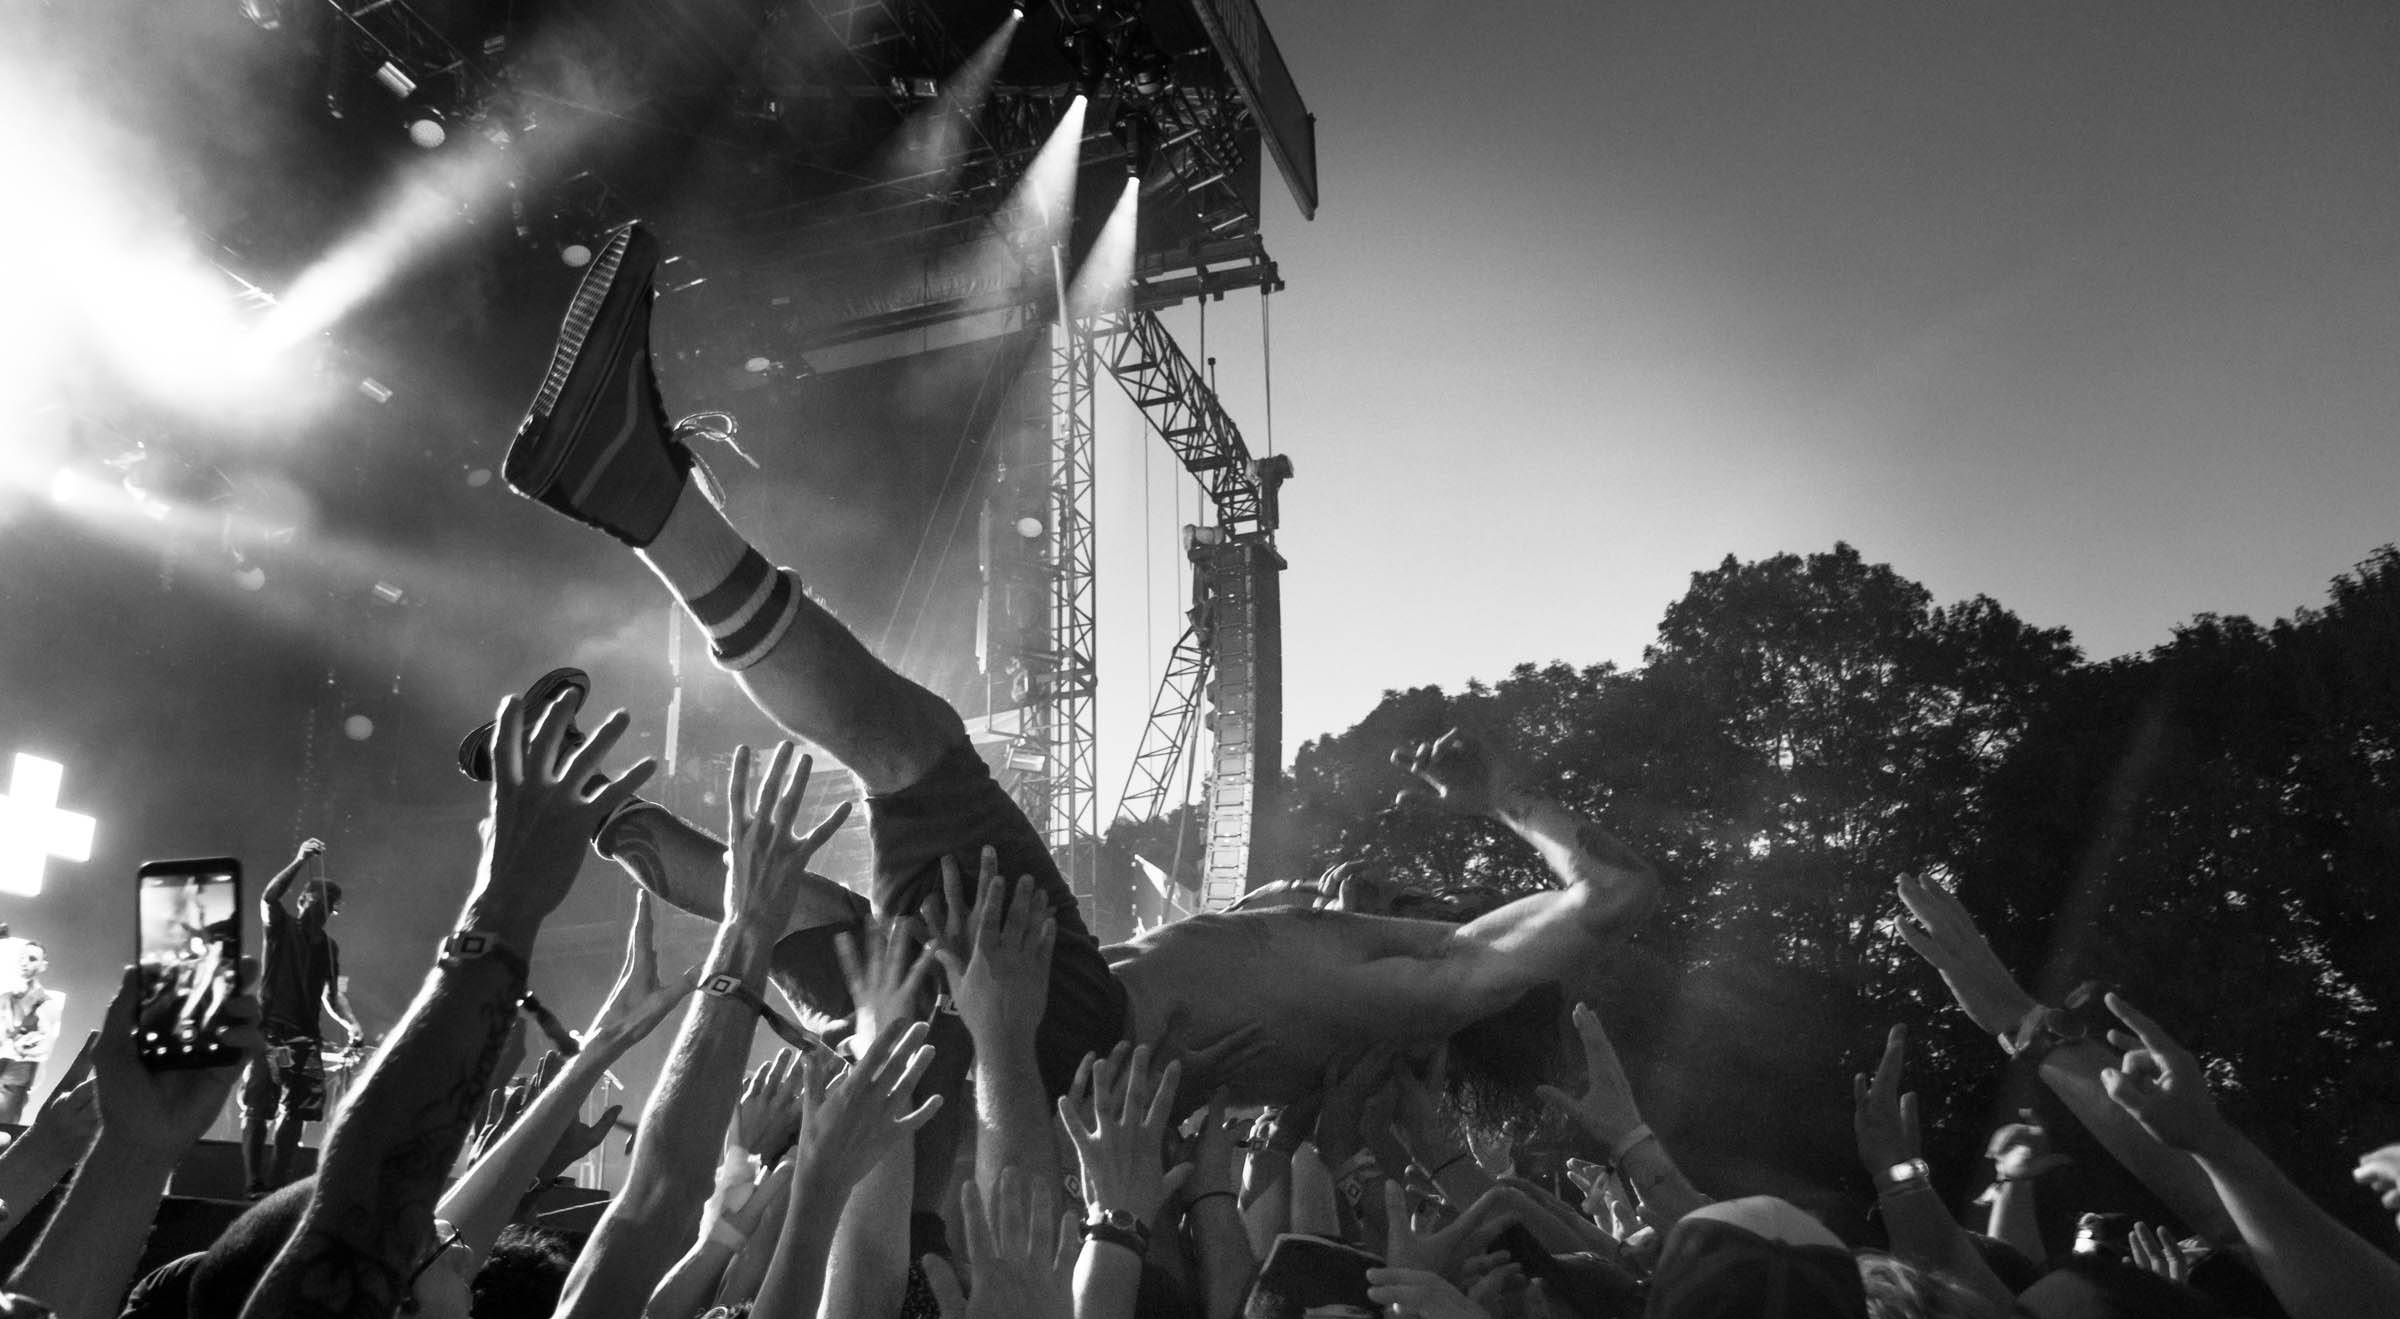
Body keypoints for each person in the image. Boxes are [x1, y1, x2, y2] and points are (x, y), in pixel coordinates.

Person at [497, 221, 1659, 1115]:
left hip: (1064, 1024)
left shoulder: (1421, 982)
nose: (1383, 877)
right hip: (1044, 1013)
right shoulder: (1326, 952)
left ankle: (634, 485)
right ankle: (600, 821)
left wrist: (1504, 799)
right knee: (807, 909)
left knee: (914, 753)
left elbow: (1612, 897)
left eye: (1414, 896)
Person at [242, 838, 365, 1197]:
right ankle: (254, 1185)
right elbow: (268, 898)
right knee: (259, 1108)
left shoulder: (329, 947)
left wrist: (352, 1025)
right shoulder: (281, 926)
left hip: (306, 1038)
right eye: (320, 901)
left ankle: (276, 1188)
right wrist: (298, 860)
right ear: (304, 900)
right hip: (270, 1033)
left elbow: (331, 995)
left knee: (298, 1114)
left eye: (330, 906)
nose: (324, 909)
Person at [0, 939, 63, 1127]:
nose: (24, 962)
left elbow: (45, 1048)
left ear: (43, 965)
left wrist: (19, 1047)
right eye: (22, 958)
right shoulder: (5, 998)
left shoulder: (46, 1003)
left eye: (32, 958)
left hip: (13, 1082)